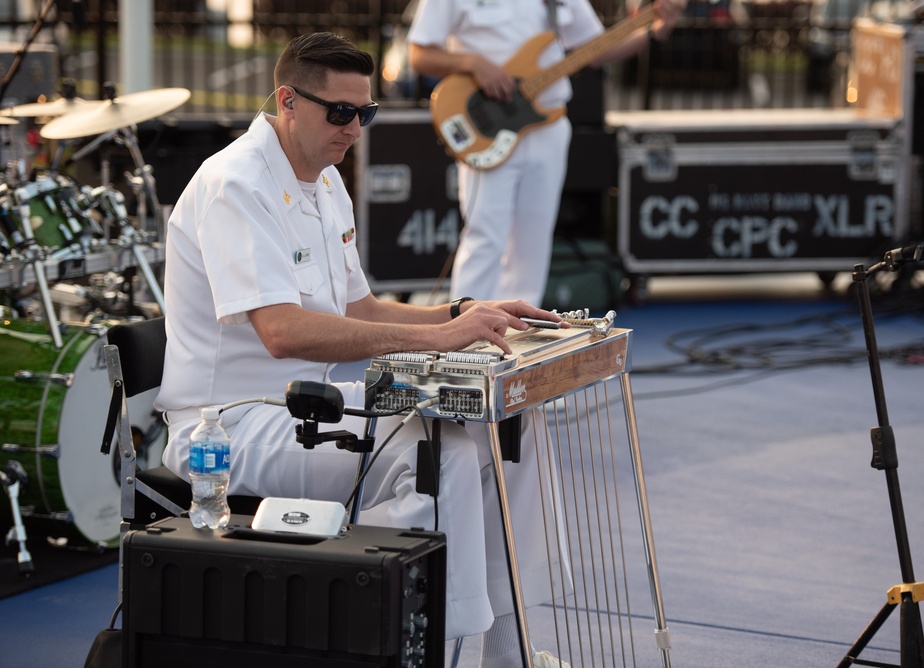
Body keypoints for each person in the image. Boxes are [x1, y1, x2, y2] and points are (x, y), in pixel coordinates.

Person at [155, 32, 571, 668]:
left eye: (366, 112)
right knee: (442, 453)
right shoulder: (235, 183)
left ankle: (506, 653)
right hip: (231, 421)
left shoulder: (323, 180)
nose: (355, 128)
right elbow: (283, 331)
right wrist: (439, 338)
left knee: (508, 425)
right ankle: (424, 650)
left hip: (304, 404)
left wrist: (468, 313)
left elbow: (360, 309)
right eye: (340, 112)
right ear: (288, 101)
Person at [407, 0, 687, 307]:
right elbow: (419, 53)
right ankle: (465, 334)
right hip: (488, 125)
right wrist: (472, 63)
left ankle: (520, 337)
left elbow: (596, 50)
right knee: (485, 237)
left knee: (534, 242)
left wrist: (652, 32)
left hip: (547, 126)